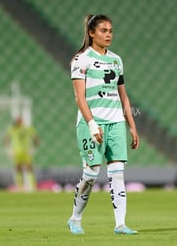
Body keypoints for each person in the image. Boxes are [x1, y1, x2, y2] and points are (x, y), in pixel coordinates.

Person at [67, 14, 140, 235]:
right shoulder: (81, 59)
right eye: (103, 31)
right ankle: (75, 218)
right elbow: (79, 97)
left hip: (116, 121)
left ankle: (120, 224)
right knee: (91, 174)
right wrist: (91, 124)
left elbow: (124, 97)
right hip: (92, 123)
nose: (108, 34)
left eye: (111, 31)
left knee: (117, 173)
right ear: (91, 33)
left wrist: (132, 126)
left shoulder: (117, 60)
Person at [4, 116, 40, 192]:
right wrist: (9, 150)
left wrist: (33, 148)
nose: (19, 121)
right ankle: (20, 187)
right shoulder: (12, 129)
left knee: (29, 168)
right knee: (18, 169)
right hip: (16, 152)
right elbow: (6, 139)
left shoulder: (27, 128)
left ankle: (33, 186)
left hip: (26, 152)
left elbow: (36, 138)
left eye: (20, 120)